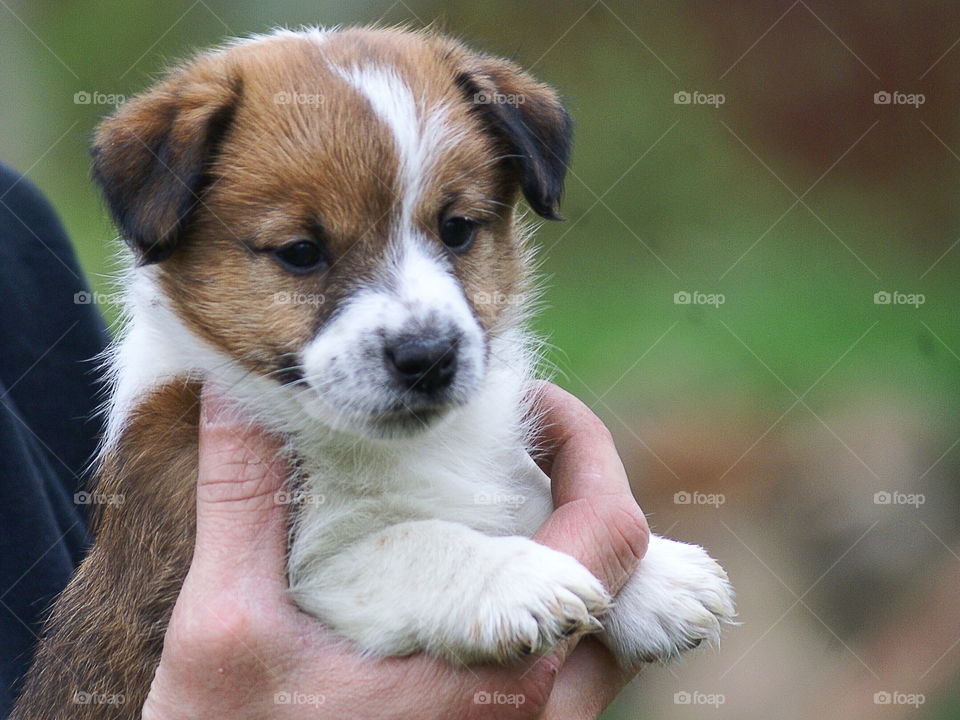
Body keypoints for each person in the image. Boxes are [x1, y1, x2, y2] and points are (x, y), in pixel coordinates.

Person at [0, 163, 650, 718]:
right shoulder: (178, 430)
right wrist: (470, 579)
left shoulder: (15, 239)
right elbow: (311, 576)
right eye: (303, 254)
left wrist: (593, 573)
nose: (419, 322)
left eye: (455, 232)